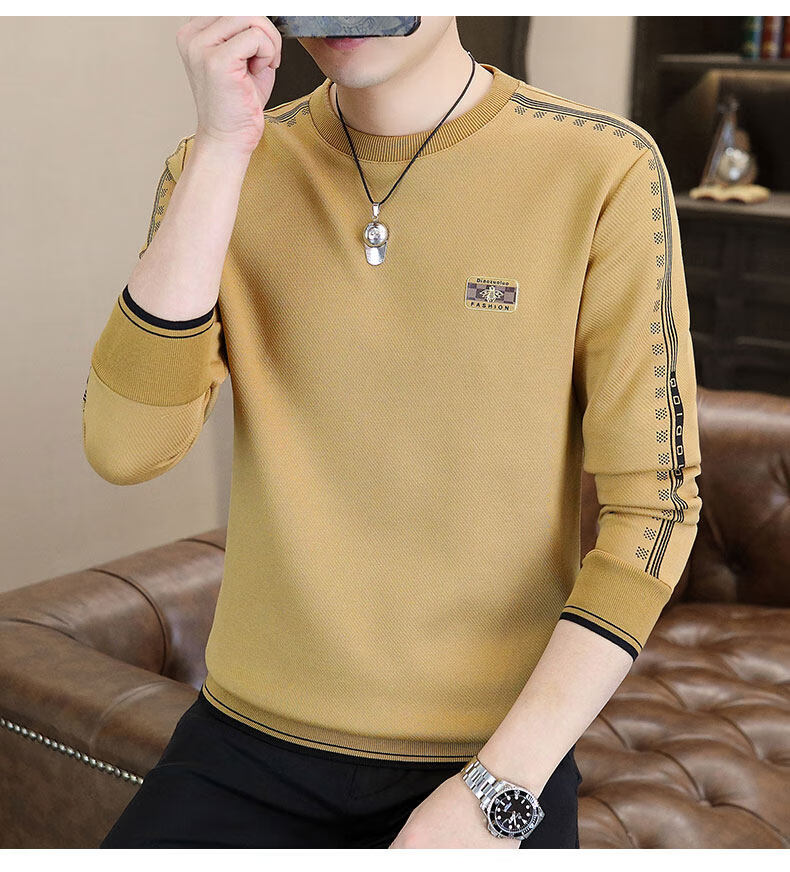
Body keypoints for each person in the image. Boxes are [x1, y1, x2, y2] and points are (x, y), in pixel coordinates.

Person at [87, 15, 702, 849]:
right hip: (244, 742)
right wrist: (223, 150)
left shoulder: (603, 166)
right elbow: (124, 448)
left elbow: (657, 506)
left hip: (491, 756)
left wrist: (496, 790)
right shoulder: (217, 170)